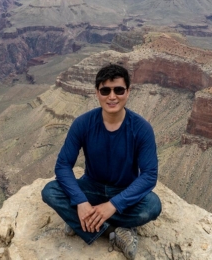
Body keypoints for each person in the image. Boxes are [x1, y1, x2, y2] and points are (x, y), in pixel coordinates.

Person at [41, 63, 162, 259]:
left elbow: (149, 176)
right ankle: (113, 231)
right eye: (105, 90)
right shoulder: (83, 123)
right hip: (91, 188)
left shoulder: (141, 128)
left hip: (123, 191)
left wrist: (113, 205)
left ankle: (82, 222)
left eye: (118, 90)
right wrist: (80, 201)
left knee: (152, 206)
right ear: (97, 92)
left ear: (128, 92)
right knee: (50, 192)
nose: (112, 96)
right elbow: (63, 165)